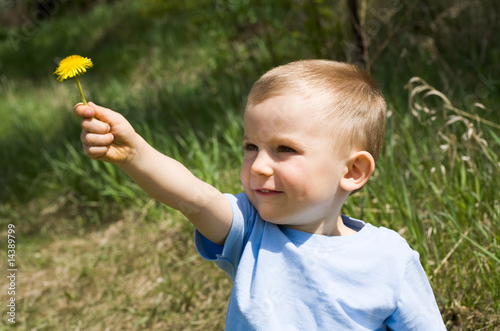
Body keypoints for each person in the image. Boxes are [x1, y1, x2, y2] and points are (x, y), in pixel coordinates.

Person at [73, 60, 446, 330]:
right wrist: (136, 153)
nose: (259, 166)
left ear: (352, 172)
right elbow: (194, 197)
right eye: (251, 146)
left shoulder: (390, 258)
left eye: (284, 149)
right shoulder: (252, 229)